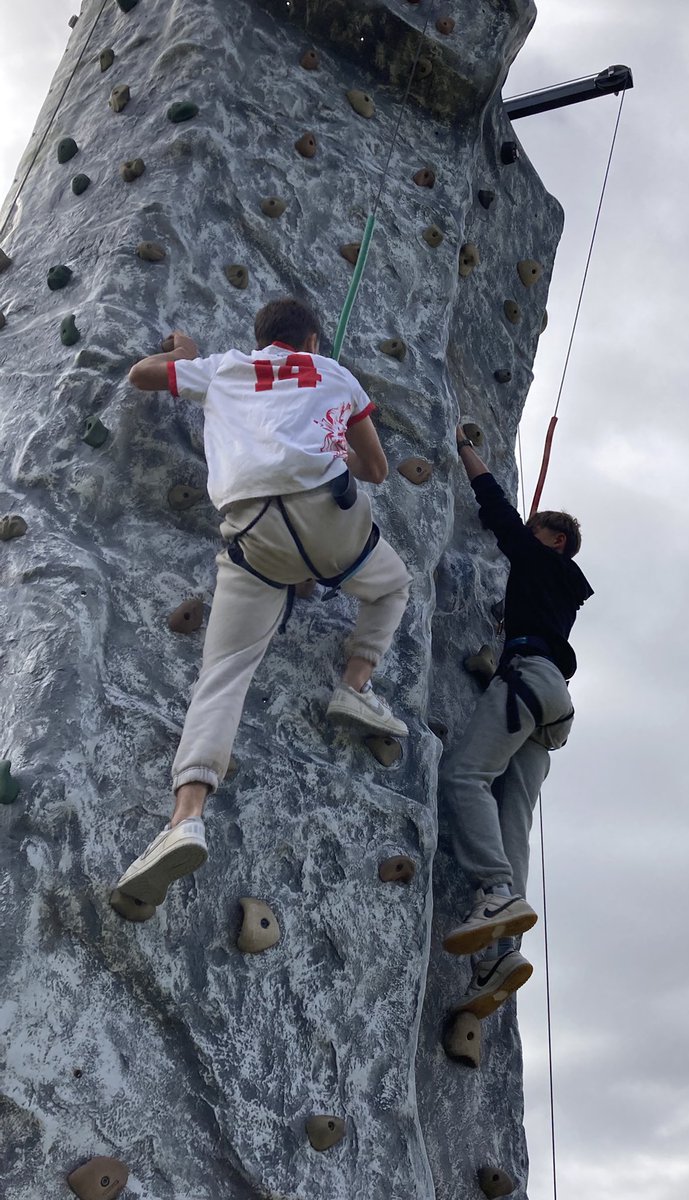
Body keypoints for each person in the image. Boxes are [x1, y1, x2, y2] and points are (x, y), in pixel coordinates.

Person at [114, 297, 411, 906]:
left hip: (254, 533)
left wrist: (184, 353)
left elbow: (141, 375)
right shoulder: (334, 373)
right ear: (312, 340)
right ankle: (355, 684)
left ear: (262, 339)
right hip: (331, 519)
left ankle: (186, 817)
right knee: (392, 585)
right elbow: (376, 469)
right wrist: (333, 437)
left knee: (222, 674)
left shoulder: (226, 368)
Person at [441, 425, 593, 1018]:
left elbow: (498, 511)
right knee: (515, 815)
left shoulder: (538, 558)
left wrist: (466, 450)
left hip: (529, 679)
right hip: (553, 707)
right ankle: (504, 954)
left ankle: (496, 892)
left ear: (555, 540)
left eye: (536, 533)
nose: (526, 538)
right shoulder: (561, 590)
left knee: (465, 777)